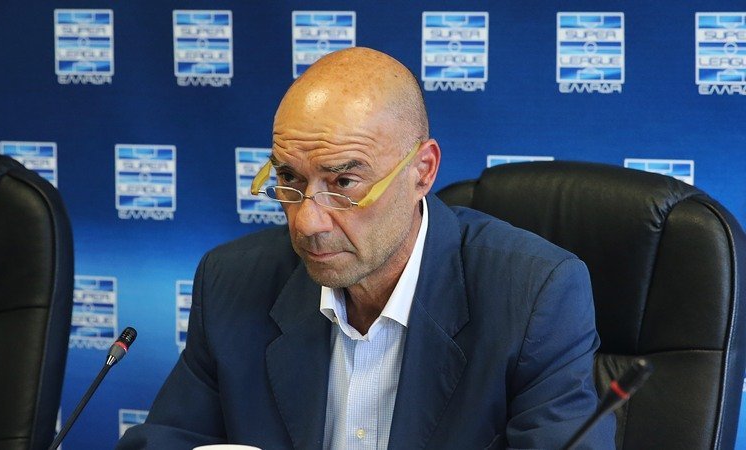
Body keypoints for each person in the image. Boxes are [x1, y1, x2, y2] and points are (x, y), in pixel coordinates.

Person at [118, 47, 615, 449]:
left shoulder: (532, 294)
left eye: (343, 183)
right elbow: (167, 439)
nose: (308, 222)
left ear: (422, 171)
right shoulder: (231, 281)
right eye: (290, 180)